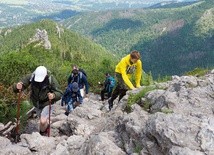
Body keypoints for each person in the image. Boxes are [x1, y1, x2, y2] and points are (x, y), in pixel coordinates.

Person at [13, 66, 63, 135]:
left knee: (42, 121)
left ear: (45, 76)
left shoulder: (51, 79)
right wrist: (17, 86)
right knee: (42, 121)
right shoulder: (31, 77)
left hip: (47, 103)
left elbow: (60, 93)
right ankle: (47, 126)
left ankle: (42, 134)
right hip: (36, 104)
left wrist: (53, 95)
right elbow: (20, 86)